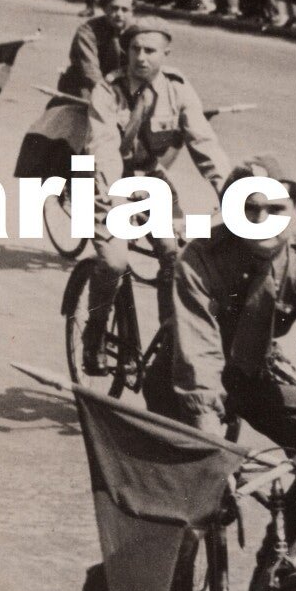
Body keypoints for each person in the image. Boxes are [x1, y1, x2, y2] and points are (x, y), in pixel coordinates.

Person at [153, 158, 296, 587]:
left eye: (276, 209)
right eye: (249, 210)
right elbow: (197, 356)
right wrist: (209, 444)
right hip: (183, 380)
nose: (263, 221)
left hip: (253, 372)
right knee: (190, 507)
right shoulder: (201, 256)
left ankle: (278, 562)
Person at [78, 27, 230, 376]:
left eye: (150, 50)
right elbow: (103, 148)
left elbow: (204, 143)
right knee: (115, 263)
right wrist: (116, 197)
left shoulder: (178, 88)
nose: (141, 57)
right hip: (103, 182)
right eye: (135, 49)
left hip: (149, 178)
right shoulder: (108, 90)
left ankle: (168, 345)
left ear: (165, 56)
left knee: (176, 257)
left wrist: (230, 192)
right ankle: (95, 331)